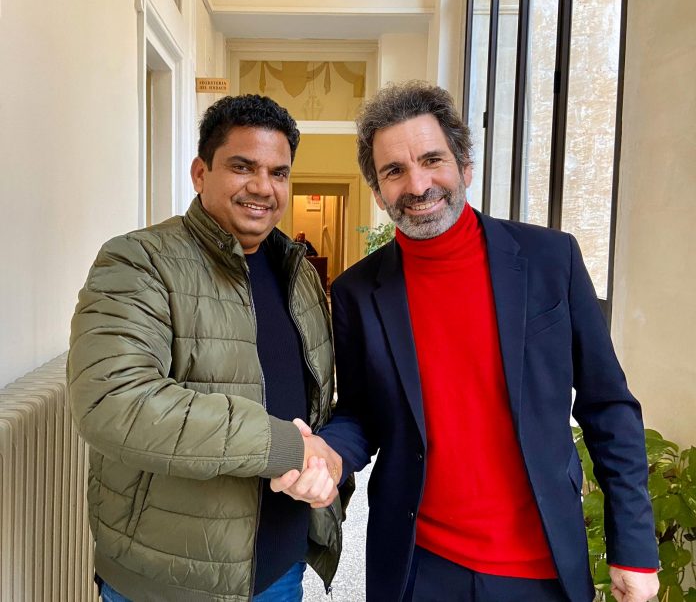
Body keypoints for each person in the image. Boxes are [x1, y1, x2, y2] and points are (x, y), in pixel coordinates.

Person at [273, 82, 659, 602]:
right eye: (394, 171)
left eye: (432, 160)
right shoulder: (356, 291)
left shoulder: (551, 260)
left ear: (465, 165)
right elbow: (362, 414)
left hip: (539, 564)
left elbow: (608, 406)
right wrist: (330, 456)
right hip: (418, 564)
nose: (418, 184)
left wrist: (634, 547)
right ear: (378, 191)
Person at [67, 94, 348, 602]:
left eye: (279, 173)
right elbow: (113, 402)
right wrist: (283, 446)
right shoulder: (138, 260)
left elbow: (314, 404)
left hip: (281, 566)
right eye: (242, 167)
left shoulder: (300, 273)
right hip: (170, 578)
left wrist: (322, 473)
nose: (262, 187)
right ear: (201, 173)